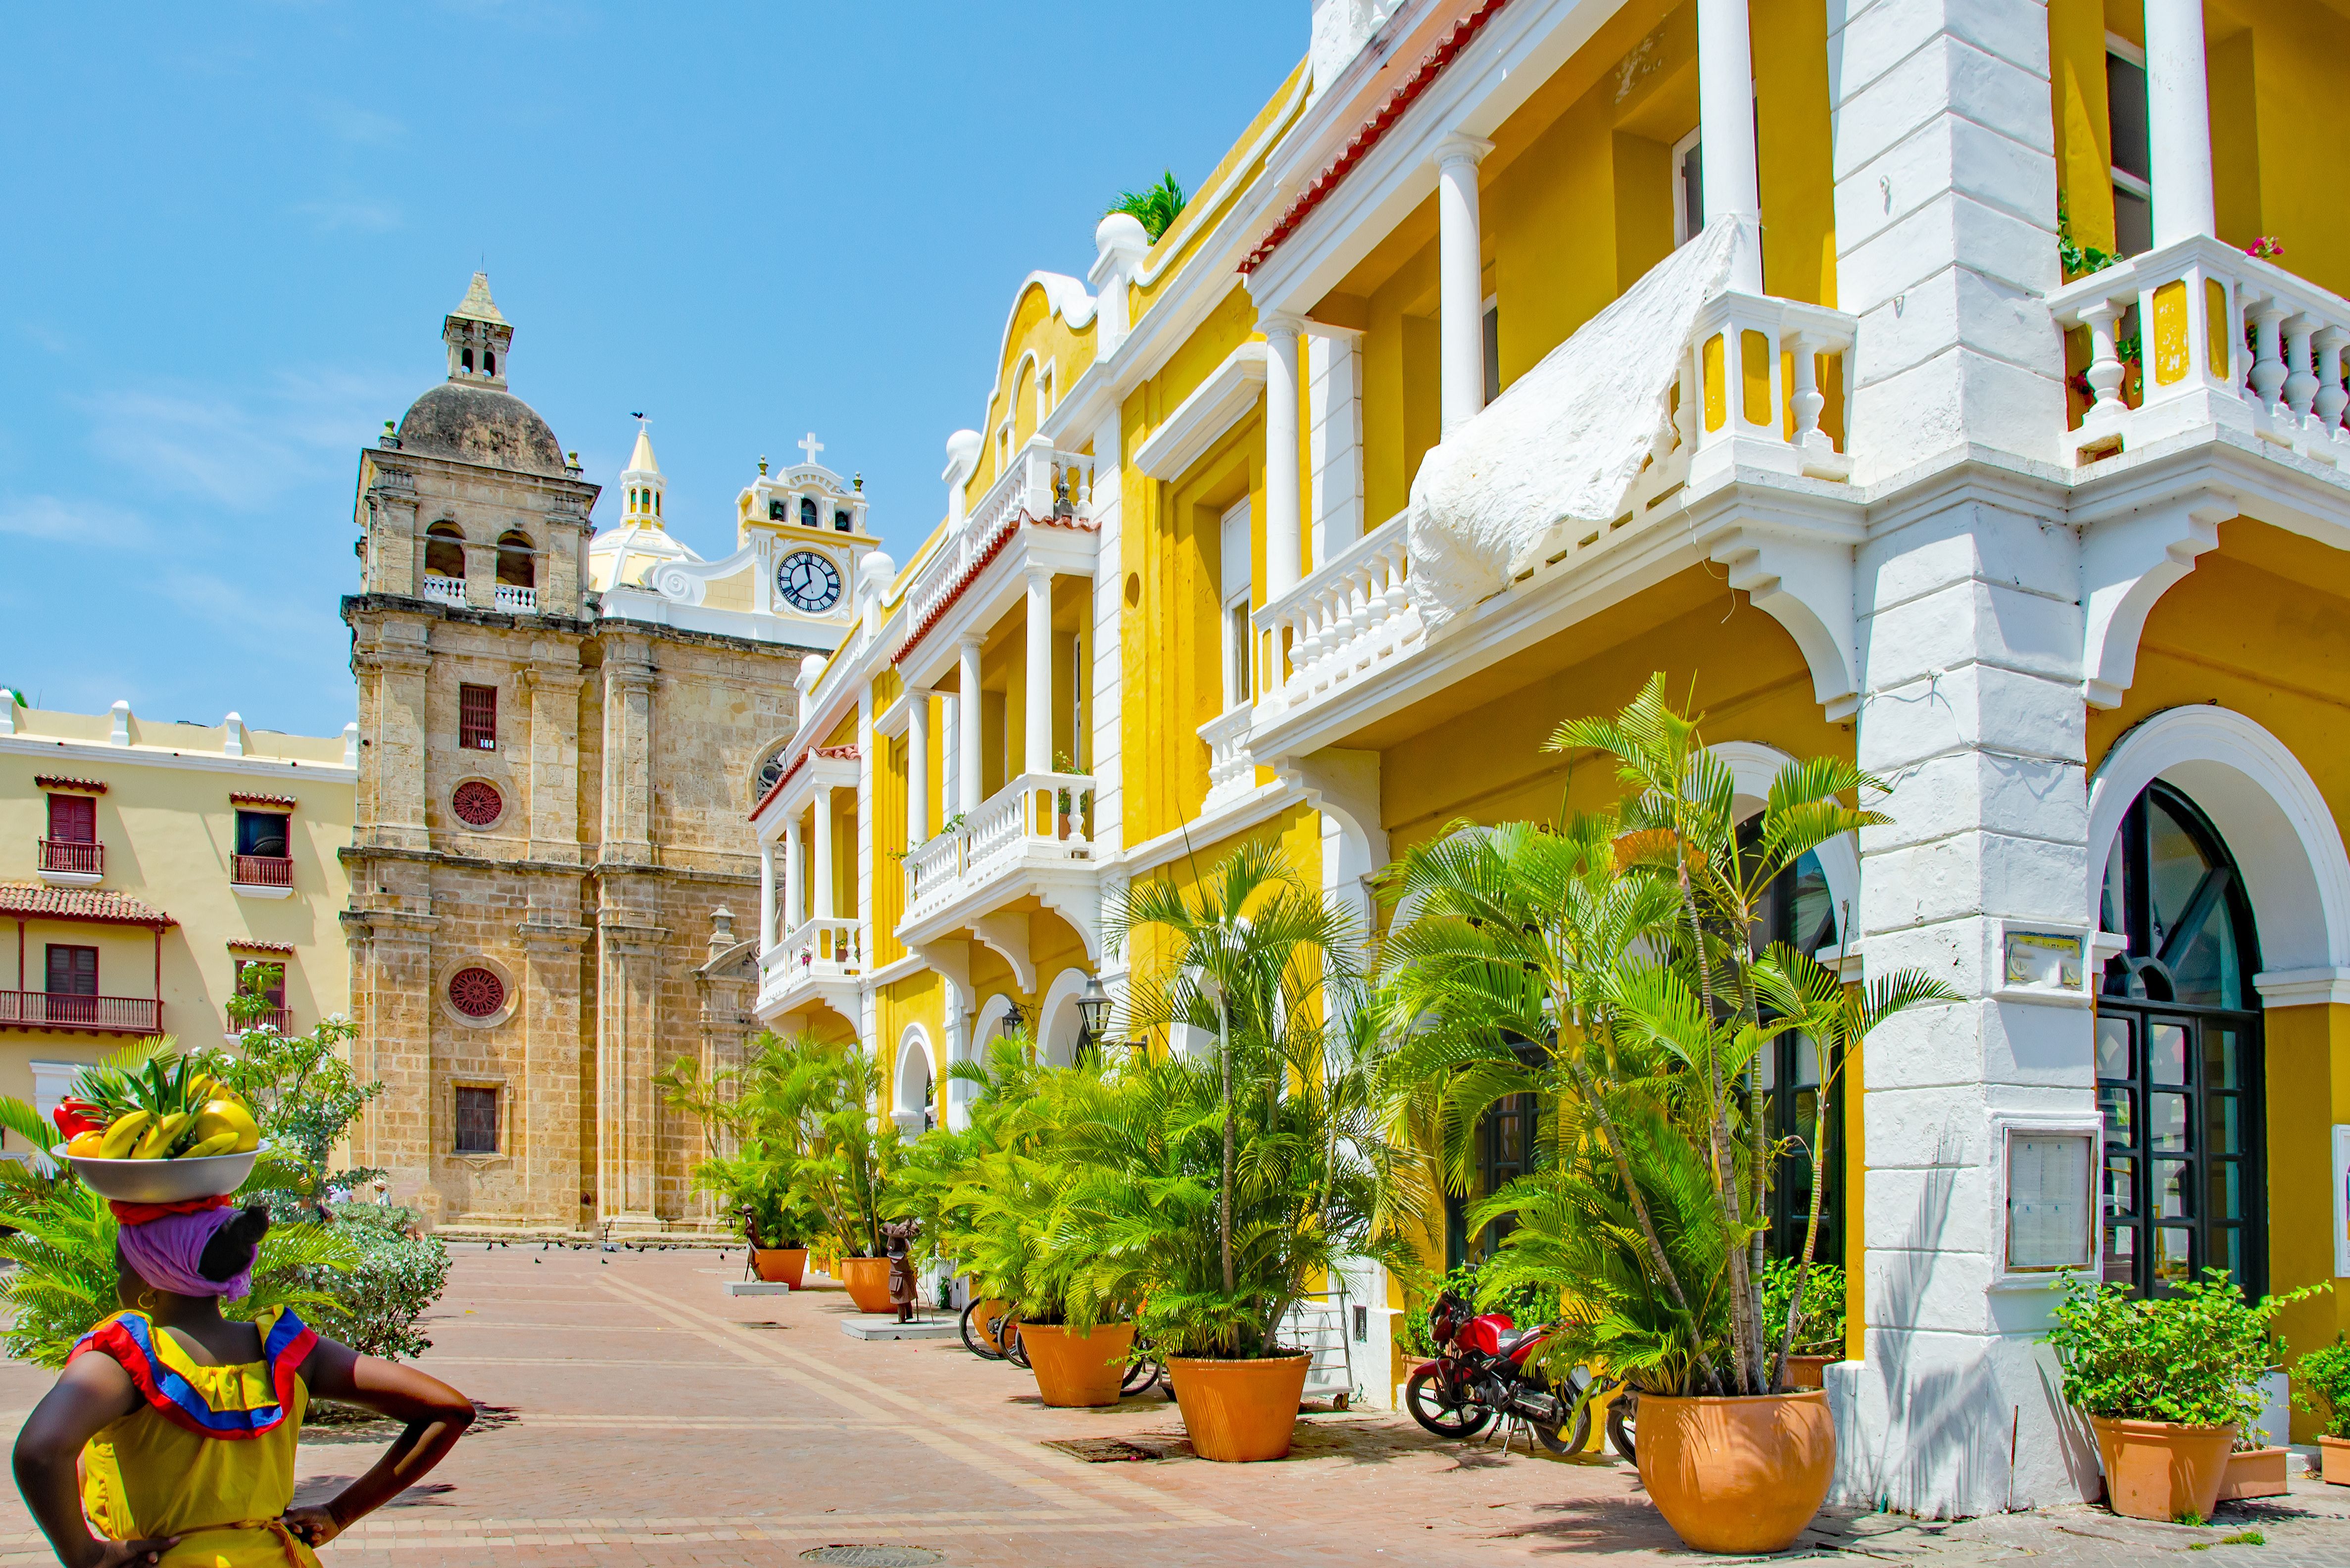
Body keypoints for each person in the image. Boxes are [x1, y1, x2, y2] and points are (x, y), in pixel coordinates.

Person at [11, 1198, 476, 1568]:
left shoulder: (122, 1359)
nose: (119, 1277)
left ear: (152, 1274)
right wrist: (339, 1514)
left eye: (122, 1265)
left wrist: (87, 1557)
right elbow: (448, 1411)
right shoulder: (291, 1351)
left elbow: (40, 1451)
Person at [881, 1217, 920, 1324]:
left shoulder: (901, 1254)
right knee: (902, 1301)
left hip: (903, 1278)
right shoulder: (899, 1254)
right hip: (898, 1278)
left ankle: (907, 1316)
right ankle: (903, 1318)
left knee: (904, 1300)